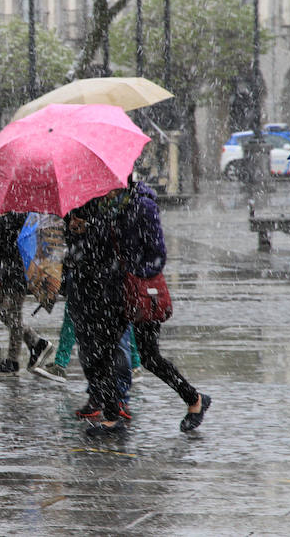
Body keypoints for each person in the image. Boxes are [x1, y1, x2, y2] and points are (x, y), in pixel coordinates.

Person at [114, 177, 211, 432]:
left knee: (149, 357)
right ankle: (112, 408)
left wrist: (134, 273)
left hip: (140, 292)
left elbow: (158, 253)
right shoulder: (109, 206)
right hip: (117, 290)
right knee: (107, 347)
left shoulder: (142, 206)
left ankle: (194, 398)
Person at [63, 193, 129, 435]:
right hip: (83, 296)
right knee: (90, 356)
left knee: (102, 355)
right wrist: (74, 231)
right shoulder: (75, 207)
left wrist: (86, 229)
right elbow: (75, 250)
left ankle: (113, 412)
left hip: (104, 297)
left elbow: (103, 250)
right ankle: (105, 404)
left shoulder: (107, 213)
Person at [0, 193, 54, 379]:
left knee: (13, 312)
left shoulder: (27, 198)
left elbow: (21, 219)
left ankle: (12, 362)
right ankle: (36, 342)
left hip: (17, 263)